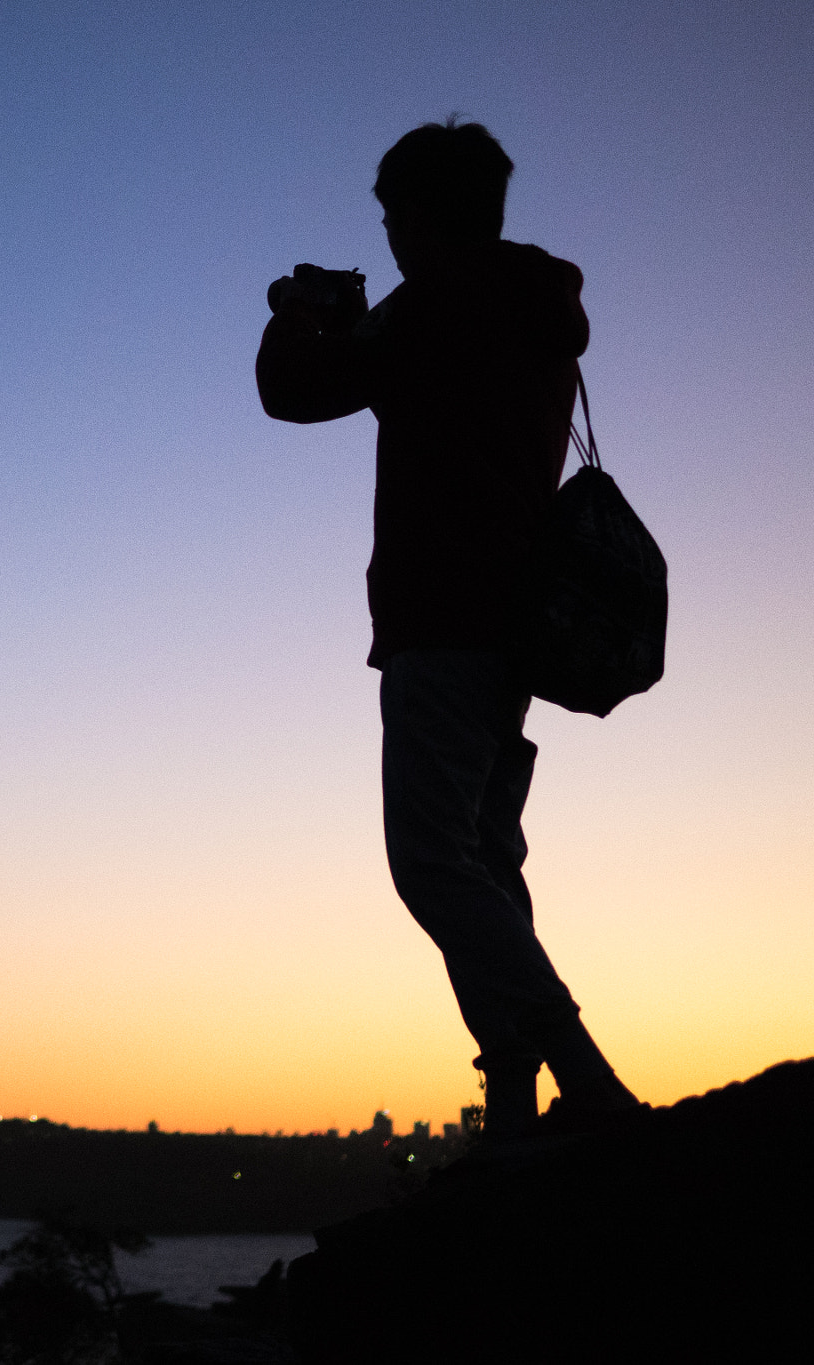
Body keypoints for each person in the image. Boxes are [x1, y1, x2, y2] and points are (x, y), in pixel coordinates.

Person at [255, 120, 642, 1141]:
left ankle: (583, 1080)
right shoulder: (529, 306)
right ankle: (513, 1102)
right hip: (514, 622)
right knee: (481, 854)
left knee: (431, 864)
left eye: (390, 219)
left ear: (421, 216)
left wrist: (299, 310)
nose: (386, 239)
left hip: (439, 621)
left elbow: (290, 394)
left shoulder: (435, 306)